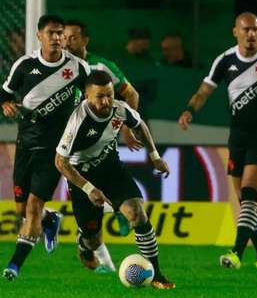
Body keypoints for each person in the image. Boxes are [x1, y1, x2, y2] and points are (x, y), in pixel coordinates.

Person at [178, 12, 257, 269]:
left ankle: (236, 253)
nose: (251, 34)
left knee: (249, 193)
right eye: (246, 29)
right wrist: (190, 109)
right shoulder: (225, 61)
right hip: (237, 135)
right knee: (245, 200)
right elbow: (205, 91)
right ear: (235, 31)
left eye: (256, 30)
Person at [55, 70, 175, 289]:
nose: (107, 101)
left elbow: (140, 126)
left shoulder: (120, 109)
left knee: (138, 214)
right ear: (86, 96)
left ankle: (157, 274)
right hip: (82, 176)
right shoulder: (78, 121)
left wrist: (155, 157)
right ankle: (83, 242)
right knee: (93, 238)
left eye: (109, 94)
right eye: (100, 96)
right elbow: (60, 162)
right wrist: (89, 188)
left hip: (111, 168)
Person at [0, 15, 91, 281]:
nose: (57, 38)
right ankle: (50, 220)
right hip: (26, 145)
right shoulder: (24, 66)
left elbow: (92, 95)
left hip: (56, 150)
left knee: (32, 208)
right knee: (21, 211)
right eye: (51, 33)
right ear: (39, 35)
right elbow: (5, 94)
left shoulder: (78, 67)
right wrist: (5, 105)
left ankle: (14, 266)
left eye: (60, 33)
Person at [63, 20, 142, 237]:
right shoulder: (61, 69)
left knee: (107, 170)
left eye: (73, 38)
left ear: (85, 40)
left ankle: (117, 207)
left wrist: (127, 128)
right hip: (68, 139)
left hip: (100, 136)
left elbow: (131, 94)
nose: (67, 43)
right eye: (64, 38)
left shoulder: (101, 66)